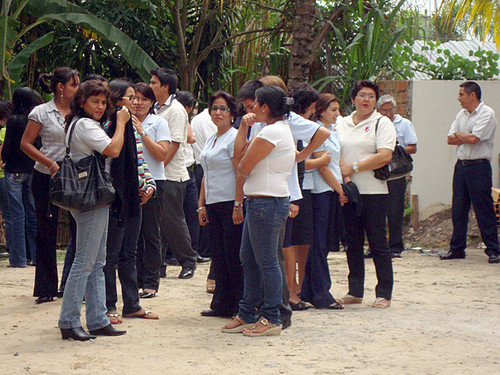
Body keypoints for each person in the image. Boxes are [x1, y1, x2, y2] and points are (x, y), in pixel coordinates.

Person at [222, 85, 295, 337]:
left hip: (267, 201)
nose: (250, 110)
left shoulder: (273, 132)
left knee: (266, 262)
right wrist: (243, 126)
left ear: (265, 107)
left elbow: (242, 164)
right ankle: (248, 311)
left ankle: (271, 316)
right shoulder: (271, 130)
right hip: (260, 200)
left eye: (254, 105)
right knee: (250, 258)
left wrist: (239, 197)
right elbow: (239, 155)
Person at [58, 79, 128, 340]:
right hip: (91, 198)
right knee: (85, 262)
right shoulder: (86, 125)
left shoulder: (79, 123)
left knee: (96, 261)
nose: (100, 106)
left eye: (103, 102)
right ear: (82, 102)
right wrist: (120, 123)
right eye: (94, 101)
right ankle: (68, 320)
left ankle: (98, 319)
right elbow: (113, 149)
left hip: (88, 197)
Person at [21, 67, 80, 304]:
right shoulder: (41, 112)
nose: (78, 88)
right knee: (47, 228)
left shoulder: (80, 111)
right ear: (60, 87)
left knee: (79, 228)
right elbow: (26, 144)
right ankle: (45, 287)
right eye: (74, 84)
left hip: (76, 176)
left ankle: (72, 285)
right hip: (46, 175)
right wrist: (49, 163)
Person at [103, 79, 159, 323]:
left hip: (133, 198)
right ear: (116, 101)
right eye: (129, 98)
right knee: (110, 256)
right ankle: (108, 306)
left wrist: (149, 185)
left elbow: (139, 161)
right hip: (115, 199)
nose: (135, 102)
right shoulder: (106, 126)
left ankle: (132, 304)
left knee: (129, 253)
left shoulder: (133, 127)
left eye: (136, 98)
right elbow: (111, 161)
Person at [337, 80, 396, 309]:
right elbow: (333, 149)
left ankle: (384, 293)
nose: (366, 100)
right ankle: (355, 290)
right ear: (353, 99)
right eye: (362, 95)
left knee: (377, 241)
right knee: (352, 242)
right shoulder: (341, 123)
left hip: (373, 191)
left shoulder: (381, 123)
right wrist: (344, 176)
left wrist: (353, 168)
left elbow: (384, 155)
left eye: (371, 96)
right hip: (349, 191)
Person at [442, 81, 500, 264]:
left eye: (461, 94)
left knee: (483, 209)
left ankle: (494, 250)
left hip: (479, 167)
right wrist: (463, 134)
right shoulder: (461, 114)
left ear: (472, 95)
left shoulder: (487, 114)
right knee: (459, 209)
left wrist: (460, 134)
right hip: (461, 166)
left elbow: (475, 138)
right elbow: (450, 140)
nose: (458, 98)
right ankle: (457, 249)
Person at [198, 91, 243, 317]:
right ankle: (222, 303)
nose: (218, 112)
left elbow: (239, 172)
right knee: (218, 255)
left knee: (233, 254)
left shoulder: (235, 137)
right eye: (214, 108)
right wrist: (201, 204)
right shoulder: (211, 138)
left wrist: (238, 204)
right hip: (213, 203)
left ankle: (239, 305)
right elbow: (206, 172)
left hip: (230, 202)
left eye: (223, 109)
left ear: (232, 114)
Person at [149, 68, 198, 279]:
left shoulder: (176, 110)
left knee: (172, 221)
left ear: (165, 87)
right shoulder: (155, 108)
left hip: (171, 174)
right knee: (156, 222)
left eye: (153, 83)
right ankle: (157, 264)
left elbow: (175, 144)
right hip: (158, 174)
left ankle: (188, 260)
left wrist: (158, 169)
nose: (150, 86)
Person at [300, 93, 347, 309]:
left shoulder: (333, 132)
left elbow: (337, 162)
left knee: (322, 242)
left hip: (332, 188)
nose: (338, 114)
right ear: (321, 111)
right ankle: (321, 292)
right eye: (334, 110)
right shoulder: (318, 131)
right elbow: (323, 165)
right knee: (319, 243)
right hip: (322, 191)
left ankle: (310, 289)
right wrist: (340, 190)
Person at [132, 82, 170, 298]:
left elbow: (161, 154)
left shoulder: (159, 123)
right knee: (133, 235)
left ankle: (151, 283)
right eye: (135, 98)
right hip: (132, 183)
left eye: (144, 99)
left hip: (154, 180)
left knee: (151, 233)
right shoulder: (123, 120)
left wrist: (143, 131)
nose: (138, 103)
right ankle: (135, 280)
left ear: (151, 102)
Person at [283, 84, 319, 310]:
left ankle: (299, 286)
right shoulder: (293, 123)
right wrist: (303, 158)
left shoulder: (296, 123)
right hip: (294, 189)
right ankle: (292, 288)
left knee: (301, 239)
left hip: (301, 187)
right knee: (290, 241)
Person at [373, 94, 418, 259]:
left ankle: (395, 246)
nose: (387, 113)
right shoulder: (374, 123)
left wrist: (393, 151)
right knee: (377, 211)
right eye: (383, 110)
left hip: (396, 174)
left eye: (389, 110)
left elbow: (412, 147)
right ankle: (377, 246)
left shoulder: (404, 124)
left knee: (395, 211)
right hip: (377, 173)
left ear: (395, 109)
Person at [2, 88, 42, 268]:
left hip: (14, 171)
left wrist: (6, 161)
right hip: (32, 169)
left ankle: (18, 259)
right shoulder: (35, 120)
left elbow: (8, 147)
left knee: (16, 215)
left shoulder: (14, 120)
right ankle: (35, 256)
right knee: (32, 214)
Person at [0, 100, 14, 259]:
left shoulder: (5, 130)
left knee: (9, 214)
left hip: (5, 175)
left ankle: (10, 246)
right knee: (10, 214)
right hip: (5, 176)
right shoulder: (6, 130)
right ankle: (10, 246)